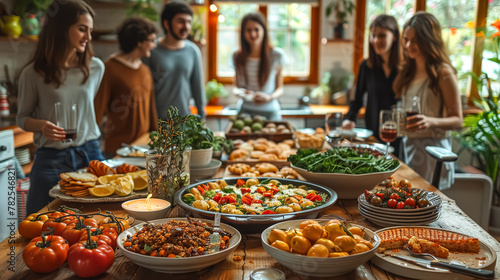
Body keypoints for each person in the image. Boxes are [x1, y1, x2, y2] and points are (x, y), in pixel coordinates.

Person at [17, 0, 105, 214]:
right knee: (39, 222)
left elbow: (84, 109)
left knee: (98, 222)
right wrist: (42, 126)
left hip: (90, 154)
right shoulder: (32, 73)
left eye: (90, 30)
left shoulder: (95, 68)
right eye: (82, 29)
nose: (88, 37)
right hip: (51, 159)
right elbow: (22, 118)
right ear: (61, 29)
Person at [393, 12, 463, 190]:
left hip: (435, 153)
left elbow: (458, 120)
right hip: (409, 149)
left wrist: (430, 121)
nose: (409, 45)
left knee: (430, 209)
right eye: (406, 39)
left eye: (415, 40)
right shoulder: (407, 72)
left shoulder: (443, 72)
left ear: (429, 40)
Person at [94, 17, 159, 158]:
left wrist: (157, 139)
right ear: (140, 42)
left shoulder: (145, 70)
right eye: (152, 40)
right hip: (118, 149)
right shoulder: (109, 68)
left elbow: (151, 109)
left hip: (143, 147)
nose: (154, 45)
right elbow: (97, 109)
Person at [343, 14, 402, 157]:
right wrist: (350, 118)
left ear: (394, 36)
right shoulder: (366, 66)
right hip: (375, 132)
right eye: (373, 35)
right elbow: (357, 99)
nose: (375, 40)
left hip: (400, 134)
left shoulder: (405, 68)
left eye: (381, 35)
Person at [143, 1, 206, 120]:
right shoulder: (151, 50)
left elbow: (198, 87)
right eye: (181, 21)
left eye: (189, 22)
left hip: (184, 122)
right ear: (166, 23)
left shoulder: (193, 51)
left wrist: (202, 118)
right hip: (156, 123)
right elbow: (143, 89)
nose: (186, 26)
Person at [231, 12, 288, 121]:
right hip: (245, 112)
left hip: (270, 112)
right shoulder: (237, 56)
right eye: (248, 30)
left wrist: (269, 97)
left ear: (264, 31)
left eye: (256, 29)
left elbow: (280, 88)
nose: (252, 34)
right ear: (243, 33)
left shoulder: (276, 55)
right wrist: (240, 92)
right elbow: (235, 87)